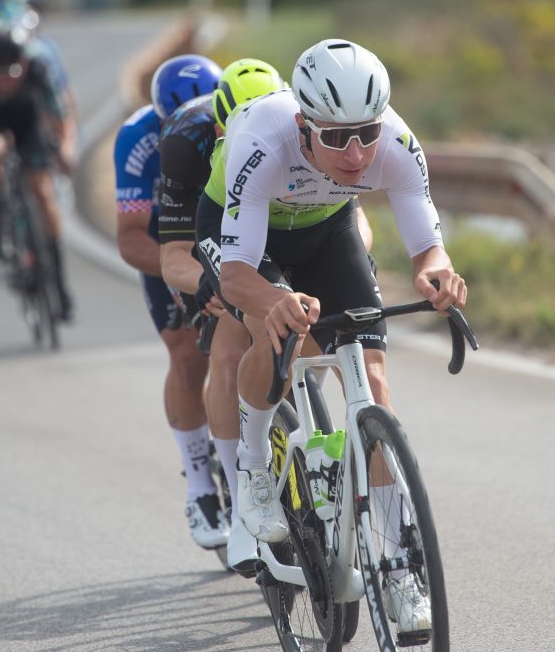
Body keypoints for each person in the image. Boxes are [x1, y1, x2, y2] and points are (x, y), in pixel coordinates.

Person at [195, 39, 467, 633]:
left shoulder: (396, 144)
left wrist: (436, 273)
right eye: (337, 137)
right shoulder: (262, 143)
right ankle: (254, 475)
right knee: (271, 332)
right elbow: (238, 275)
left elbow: (427, 246)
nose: (356, 152)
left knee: (371, 380)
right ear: (303, 123)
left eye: (366, 132)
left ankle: (398, 566)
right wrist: (274, 300)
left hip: (325, 227)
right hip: (243, 235)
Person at [156, 57, 287, 570]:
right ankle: (238, 498)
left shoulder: (299, 126)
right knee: (229, 353)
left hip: (280, 222)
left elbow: (353, 218)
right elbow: (172, 256)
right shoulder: (186, 145)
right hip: (210, 231)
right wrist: (207, 281)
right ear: (220, 126)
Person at [113, 53, 229, 551]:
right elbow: (131, 238)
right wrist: (187, 275)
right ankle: (201, 485)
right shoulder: (136, 141)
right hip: (168, 239)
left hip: (226, 229)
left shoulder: (240, 118)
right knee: (187, 354)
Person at [0, 31, 76, 321]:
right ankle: (0, 225)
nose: (4, 82)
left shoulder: (39, 68)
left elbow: (61, 117)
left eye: (11, 74)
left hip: (29, 122)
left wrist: (64, 151)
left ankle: (59, 284)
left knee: (43, 191)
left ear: (23, 65)